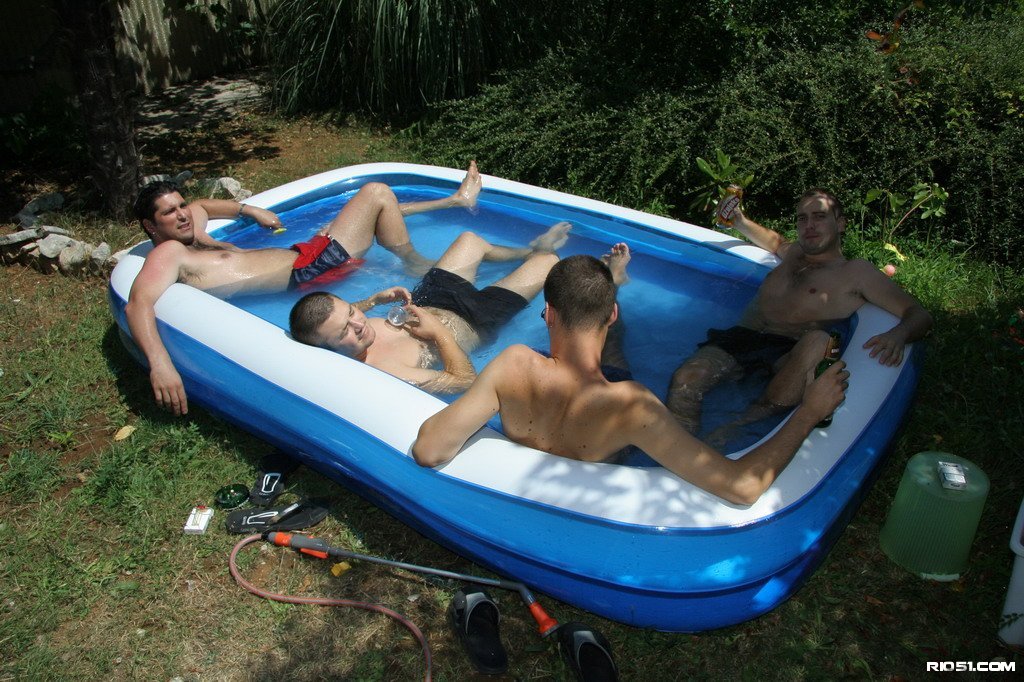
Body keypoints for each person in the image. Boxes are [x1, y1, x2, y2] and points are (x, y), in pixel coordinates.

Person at [411, 250, 850, 506]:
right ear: (613, 313)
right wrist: (808, 413)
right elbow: (743, 487)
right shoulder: (633, 405)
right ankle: (613, 286)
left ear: (547, 315)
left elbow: (429, 449)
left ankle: (609, 284)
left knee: (608, 357)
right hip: (605, 415)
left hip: (548, 397)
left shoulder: (512, 365)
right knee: (614, 357)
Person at [126, 162, 485, 415]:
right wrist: (160, 365)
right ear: (150, 226)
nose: (183, 214)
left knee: (373, 206)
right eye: (169, 213)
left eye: (180, 205)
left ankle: (452, 206)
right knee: (376, 194)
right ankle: (418, 256)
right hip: (310, 269)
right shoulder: (169, 253)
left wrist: (250, 210)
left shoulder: (194, 235)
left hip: (308, 257)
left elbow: (202, 205)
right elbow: (138, 304)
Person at [666, 188, 933, 438]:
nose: (809, 225)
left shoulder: (855, 272)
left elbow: (919, 314)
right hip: (742, 337)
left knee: (820, 341)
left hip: (786, 353)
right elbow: (775, 242)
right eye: (802, 219)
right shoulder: (794, 253)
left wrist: (899, 335)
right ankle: (678, 446)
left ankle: (738, 427)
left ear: (841, 223)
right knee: (685, 379)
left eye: (819, 217)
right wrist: (739, 221)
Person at [288, 222, 572, 394]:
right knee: (549, 262)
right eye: (344, 332)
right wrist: (438, 332)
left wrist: (373, 301)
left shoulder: (344, 324)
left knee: (470, 240)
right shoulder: (386, 371)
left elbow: (341, 315)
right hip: (475, 321)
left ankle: (529, 250)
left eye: (352, 314)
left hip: (430, 298)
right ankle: (539, 255)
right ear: (329, 349)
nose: (359, 324)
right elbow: (464, 381)